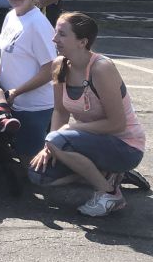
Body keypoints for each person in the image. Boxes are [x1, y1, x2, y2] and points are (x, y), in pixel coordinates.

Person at [29, 13, 145, 217]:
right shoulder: (59, 65)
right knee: (38, 175)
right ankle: (108, 174)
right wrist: (51, 148)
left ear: (82, 42)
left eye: (62, 34)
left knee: (57, 140)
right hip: (91, 144)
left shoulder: (101, 68)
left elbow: (117, 124)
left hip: (125, 147)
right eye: (56, 32)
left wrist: (64, 134)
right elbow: (60, 110)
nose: (54, 39)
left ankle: (110, 193)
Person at [0, 0, 56, 160]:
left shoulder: (37, 23)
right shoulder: (11, 16)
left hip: (33, 107)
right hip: (11, 102)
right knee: (18, 159)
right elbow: (9, 55)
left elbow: (50, 70)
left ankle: (99, 172)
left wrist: (16, 92)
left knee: (34, 168)